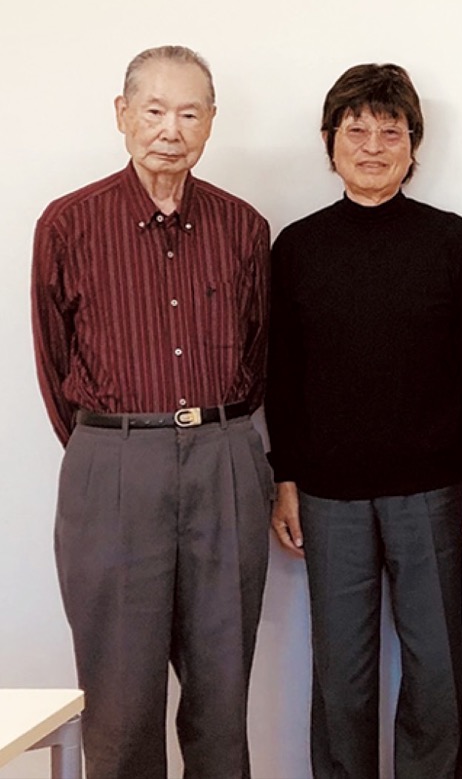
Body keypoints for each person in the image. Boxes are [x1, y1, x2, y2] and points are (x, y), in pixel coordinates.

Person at [31, 46, 271, 779]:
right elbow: (54, 359)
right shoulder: (69, 223)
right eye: (155, 110)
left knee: (221, 696)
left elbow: (257, 355)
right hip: (113, 461)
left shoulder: (244, 226)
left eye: (189, 113)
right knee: (119, 701)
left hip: (224, 456)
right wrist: (117, 445)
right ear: (123, 114)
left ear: (211, 121)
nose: (171, 129)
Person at [266, 63, 462, 779]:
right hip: (327, 493)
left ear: (412, 144)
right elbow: (281, 374)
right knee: (341, 671)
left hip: (432, 488)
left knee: (435, 668)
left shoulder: (451, 240)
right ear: (329, 141)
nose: (372, 146)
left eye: (390, 131)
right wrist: (285, 478)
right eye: (355, 130)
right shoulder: (297, 246)